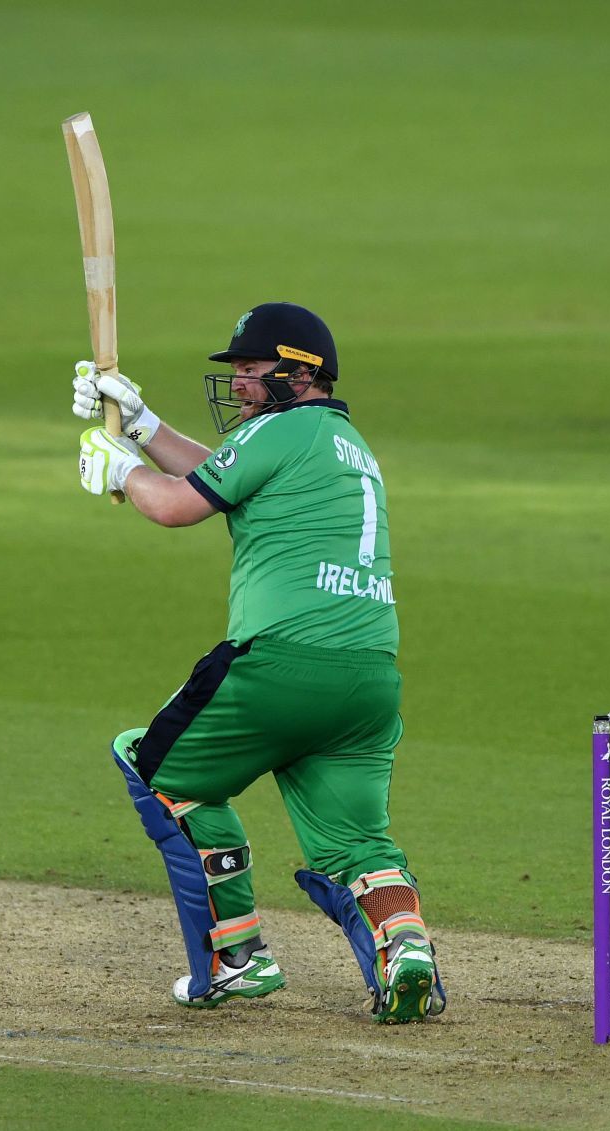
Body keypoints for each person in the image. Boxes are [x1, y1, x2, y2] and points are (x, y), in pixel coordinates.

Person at [71, 302, 444, 1024]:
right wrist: (142, 425)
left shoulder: (282, 430)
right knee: (358, 840)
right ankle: (407, 952)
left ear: (301, 374)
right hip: (368, 679)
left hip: (278, 663)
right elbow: (222, 475)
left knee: (155, 770)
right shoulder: (342, 440)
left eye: (251, 368)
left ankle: (236, 959)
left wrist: (121, 475)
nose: (238, 381)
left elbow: (181, 505)